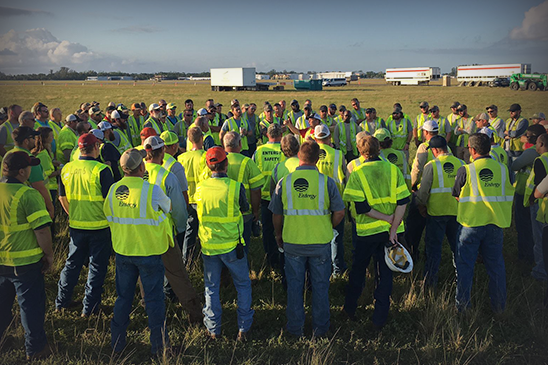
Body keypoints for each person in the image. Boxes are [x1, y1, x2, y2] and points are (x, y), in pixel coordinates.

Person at [270, 141, 345, 337]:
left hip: (293, 242)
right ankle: (321, 328)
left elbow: (276, 214)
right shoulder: (326, 182)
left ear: (299, 157)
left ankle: (295, 329)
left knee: (295, 287)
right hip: (320, 242)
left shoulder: (284, 181)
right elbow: (339, 212)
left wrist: (278, 234)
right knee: (320, 286)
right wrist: (328, 225)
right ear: (317, 159)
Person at [105, 148, 173, 354]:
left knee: (123, 298)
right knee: (154, 300)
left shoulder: (113, 189)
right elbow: (168, 208)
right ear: (141, 167)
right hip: (149, 251)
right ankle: (159, 346)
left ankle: (116, 345)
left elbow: (108, 213)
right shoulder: (152, 190)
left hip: (124, 251)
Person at [342, 135, 410, 329]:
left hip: (366, 233)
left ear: (360, 151)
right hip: (391, 233)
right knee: (385, 274)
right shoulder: (393, 169)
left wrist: (385, 219)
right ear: (379, 149)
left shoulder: (357, 172)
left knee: (358, 270)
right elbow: (402, 202)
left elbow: (362, 208)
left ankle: (349, 309)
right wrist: (393, 227)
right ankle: (379, 318)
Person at [195, 146, 254, 340]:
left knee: (211, 288)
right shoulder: (236, 187)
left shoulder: (200, 188)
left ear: (208, 165)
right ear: (226, 164)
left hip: (209, 246)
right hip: (232, 246)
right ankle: (243, 329)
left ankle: (213, 330)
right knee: (243, 285)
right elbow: (245, 209)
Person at [0, 151, 53, 361]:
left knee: (2, 305)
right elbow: (41, 230)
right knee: (31, 307)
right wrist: (49, 256)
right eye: (30, 167)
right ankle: (36, 348)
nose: (32, 170)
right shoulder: (27, 194)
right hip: (24, 262)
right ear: (22, 171)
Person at [142, 136, 202, 322]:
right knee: (177, 274)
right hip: (164, 234)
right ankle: (194, 313)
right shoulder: (167, 176)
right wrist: (181, 228)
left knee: (146, 275)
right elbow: (178, 210)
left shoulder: (137, 173)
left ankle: (149, 309)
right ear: (163, 152)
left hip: (141, 235)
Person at [452, 133, 514, 312]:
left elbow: (456, 194)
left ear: (471, 150)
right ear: (490, 148)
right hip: (495, 224)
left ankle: (463, 308)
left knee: (465, 266)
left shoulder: (466, 170)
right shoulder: (503, 169)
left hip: (470, 224)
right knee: (496, 266)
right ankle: (499, 307)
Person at [56, 133, 114, 316]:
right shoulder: (102, 170)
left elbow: (62, 197)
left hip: (76, 226)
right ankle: (90, 308)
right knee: (97, 267)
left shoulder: (66, 169)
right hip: (100, 227)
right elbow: (110, 201)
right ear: (96, 147)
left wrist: (72, 214)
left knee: (71, 264)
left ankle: (61, 302)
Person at [415, 136, 464, 287]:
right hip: (457, 213)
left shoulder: (431, 165)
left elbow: (423, 192)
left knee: (433, 250)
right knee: (457, 249)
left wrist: (420, 205)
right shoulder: (461, 163)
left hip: (436, 213)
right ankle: (461, 280)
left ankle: (430, 283)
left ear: (435, 150)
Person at [219, 132, 263, 251]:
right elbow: (255, 190)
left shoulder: (219, 162)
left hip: (223, 211)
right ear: (240, 143)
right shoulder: (247, 162)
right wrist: (255, 211)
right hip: (244, 212)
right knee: (243, 245)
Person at [511, 124, 546, 266]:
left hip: (526, 195)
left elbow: (514, 166)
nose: (525, 137)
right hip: (539, 198)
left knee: (524, 227)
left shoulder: (532, 152)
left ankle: (525, 257)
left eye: (529, 135)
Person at [314, 124, 347, 275]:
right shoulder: (339, 155)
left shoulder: (310, 154)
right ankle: (337, 269)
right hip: (335, 200)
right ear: (329, 138)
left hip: (316, 200)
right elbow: (346, 177)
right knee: (336, 236)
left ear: (315, 138)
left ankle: (319, 266)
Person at [3, 126, 55, 219]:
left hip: (8, 202)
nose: (35, 140)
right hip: (32, 205)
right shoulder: (28, 159)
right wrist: (50, 208)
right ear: (26, 141)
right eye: (33, 138)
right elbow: (39, 186)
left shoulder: (8, 155)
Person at [253, 124, 284, 270]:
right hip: (282, 196)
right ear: (281, 135)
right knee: (282, 228)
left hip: (265, 196)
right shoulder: (284, 150)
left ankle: (271, 260)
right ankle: (283, 256)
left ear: (267, 135)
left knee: (267, 229)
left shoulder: (259, 151)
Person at [178, 127, 207, 264]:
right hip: (201, 200)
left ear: (189, 140)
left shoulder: (181, 158)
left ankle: (187, 261)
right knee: (204, 231)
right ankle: (206, 257)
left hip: (186, 199)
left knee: (189, 232)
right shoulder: (205, 156)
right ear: (202, 138)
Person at [523, 133, 548, 281]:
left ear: (542, 144)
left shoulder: (540, 160)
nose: (536, 146)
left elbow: (538, 188)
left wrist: (531, 199)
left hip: (541, 207)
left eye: (538, 143)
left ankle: (540, 272)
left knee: (539, 240)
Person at [159, 131, 189, 204]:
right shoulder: (175, 165)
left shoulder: (150, 160)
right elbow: (183, 192)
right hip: (170, 206)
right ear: (174, 146)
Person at [32, 127, 60, 201]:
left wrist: (53, 162)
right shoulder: (43, 154)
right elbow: (47, 174)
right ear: (45, 138)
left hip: (50, 187)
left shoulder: (46, 152)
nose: (53, 137)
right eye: (51, 136)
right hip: (49, 188)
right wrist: (59, 171)